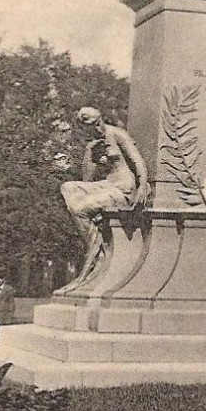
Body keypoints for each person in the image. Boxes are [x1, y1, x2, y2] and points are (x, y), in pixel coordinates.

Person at [59, 108, 149, 291]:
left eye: (97, 123)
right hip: (107, 185)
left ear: (100, 120)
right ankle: (94, 242)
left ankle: (95, 254)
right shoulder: (94, 144)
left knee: (79, 209)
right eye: (91, 126)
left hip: (124, 188)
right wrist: (89, 153)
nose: (97, 128)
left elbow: (138, 161)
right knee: (68, 187)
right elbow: (87, 179)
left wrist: (142, 187)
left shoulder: (117, 134)